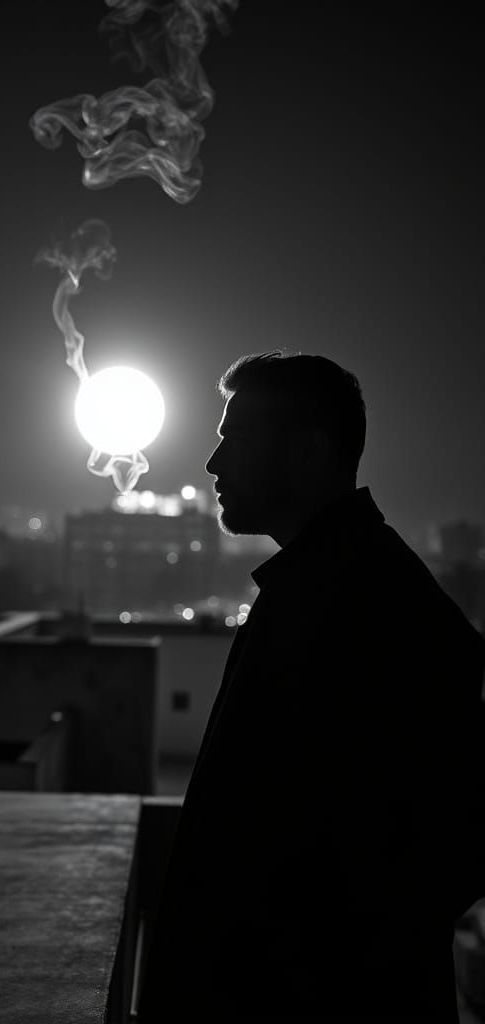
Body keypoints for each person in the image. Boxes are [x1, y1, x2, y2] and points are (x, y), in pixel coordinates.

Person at [137, 351, 485, 1022]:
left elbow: (445, 839)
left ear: (307, 453)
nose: (213, 464)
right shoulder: (331, 584)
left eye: (235, 439)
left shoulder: (366, 601)